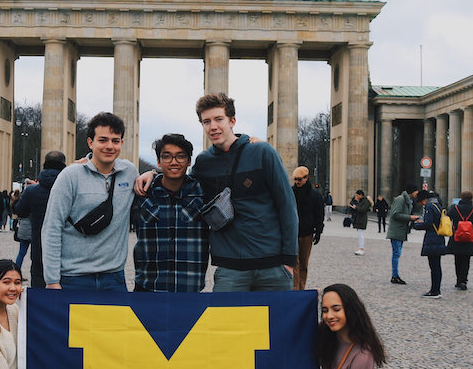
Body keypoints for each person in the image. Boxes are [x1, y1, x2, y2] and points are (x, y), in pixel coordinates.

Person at [188, 93, 297, 291]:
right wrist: (153, 174)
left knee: (277, 322)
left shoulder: (262, 152)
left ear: (232, 121)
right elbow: (180, 183)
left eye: (218, 119)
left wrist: (289, 261)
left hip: (271, 265)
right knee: (225, 323)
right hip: (230, 267)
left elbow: (287, 205)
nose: (213, 126)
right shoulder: (203, 162)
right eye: (206, 121)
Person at [43, 112, 138, 291]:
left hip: (114, 278)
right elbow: (52, 227)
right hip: (73, 277)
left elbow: (157, 183)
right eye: (103, 140)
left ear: (122, 144)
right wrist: (52, 279)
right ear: (90, 142)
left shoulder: (130, 172)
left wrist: (152, 173)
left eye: (115, 141)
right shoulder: (70, 176)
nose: (110, 146)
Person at [132, 133, 208, 293]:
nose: (174, 162)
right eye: (167, 157)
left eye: (180, 157)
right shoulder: (141, 192)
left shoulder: (203, 192)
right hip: (148, 286)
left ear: (189, 161)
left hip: (189, 287)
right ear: (158, 161)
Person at [14, 151, 67, 289]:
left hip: (39, 248)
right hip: (66, 251)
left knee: (39, 294)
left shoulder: (32, 191)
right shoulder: (70, 189)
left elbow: (20, 211)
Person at [292, 166, 324, 291]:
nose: (297, 182)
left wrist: (319, 231)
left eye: (299, 179)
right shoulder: (291, 193)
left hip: (307, 233)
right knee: (294, 262)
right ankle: (295, 289)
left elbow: (319, 214)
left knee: (304, 263)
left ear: (306, 178)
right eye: (295, 179)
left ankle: (301, 287)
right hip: (293, 233)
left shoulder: (315, 196)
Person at [385, 184, 420, 285]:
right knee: (396, 254)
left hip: (401, 231)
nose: (417, 194)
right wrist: (410, 217)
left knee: (397, 254)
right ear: (412, 192)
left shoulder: (408, 201)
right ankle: (394, 276)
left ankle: (395, 275)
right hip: (396, 231)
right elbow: (395, 214)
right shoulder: (400, 200)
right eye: (416, 192)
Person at [413, 191, 446, 298]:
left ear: (423, 199)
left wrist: (417, 225)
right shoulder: (437, 205)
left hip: (433, 239)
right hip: (438, 237)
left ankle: (435, 291)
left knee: (434, 266)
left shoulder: (429, 206)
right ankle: (436, 289)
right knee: (437, 265)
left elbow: (428, 223)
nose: (421, 204)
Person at [448, 190, 473, 291]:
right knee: (466, 260)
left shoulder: (455, 208)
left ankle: (458, 280)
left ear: (461, 198)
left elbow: (448, 216)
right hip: (469, 237)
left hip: (457, 235)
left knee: (457, 259)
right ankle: (463, 281)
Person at [349, 190, 371, 256]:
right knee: (359, 234)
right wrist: (354, 204)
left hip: (362, 219)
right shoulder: (361, 201)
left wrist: (356, 207)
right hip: (358, 218)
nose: (356, 196)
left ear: (361, 195)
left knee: (360, 234)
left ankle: (361, 249)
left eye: (357, 195)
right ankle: (360, 248)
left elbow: (363, 209)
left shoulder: (365, 201)